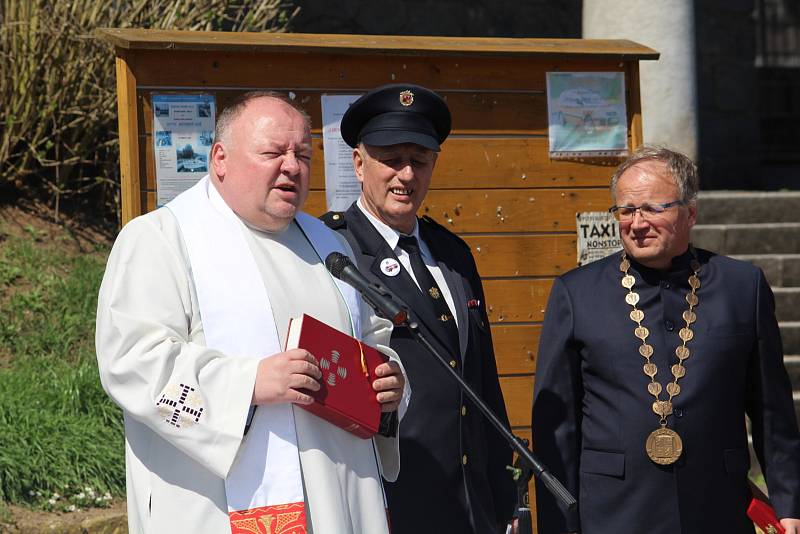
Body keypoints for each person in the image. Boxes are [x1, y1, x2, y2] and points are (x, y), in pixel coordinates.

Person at [95, 91, 410, 534]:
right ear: (220, 158)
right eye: (271, 152)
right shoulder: (161, 239)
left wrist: (388, 383)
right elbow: (131, 362)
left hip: (338, 498)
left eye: (302, 154)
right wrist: (248, 384)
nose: (292, 166)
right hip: (219, 507)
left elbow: (372, 339)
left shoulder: (330, 245)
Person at [531, 145, 800, 534]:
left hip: (716, 506)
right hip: (613, 512)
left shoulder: (743, 287)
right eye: (625, 210)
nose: (636, 223)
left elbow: (773, 412)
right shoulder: (576, 294)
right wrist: (559, 525)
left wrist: (789, 503)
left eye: (652, 208)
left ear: (690, 212)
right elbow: (557, 429)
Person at [321, 83, 516, 533]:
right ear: (358, 162)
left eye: (419, 161)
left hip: (470, 502)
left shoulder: (451, 252)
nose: (405, 175)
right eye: (391, 159)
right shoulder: (334, 251)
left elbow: (480, 377)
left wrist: (500, 493)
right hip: (390, 499)